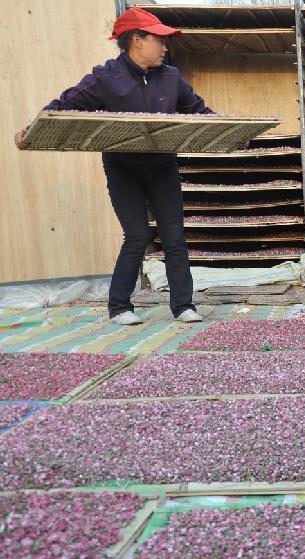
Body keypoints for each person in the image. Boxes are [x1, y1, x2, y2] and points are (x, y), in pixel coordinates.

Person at [14, 7, 213, 325]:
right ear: (137, 39)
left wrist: (230, 134)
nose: (165, 47)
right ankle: (120, 306)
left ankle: (183, 306)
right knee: (136, 236)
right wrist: (30, 128)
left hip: (162, 166)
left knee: (174, 237)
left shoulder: (172, 78)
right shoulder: (106, 78)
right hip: (123, 170)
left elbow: (202, 113)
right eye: (159, 39)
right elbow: (63, 105)